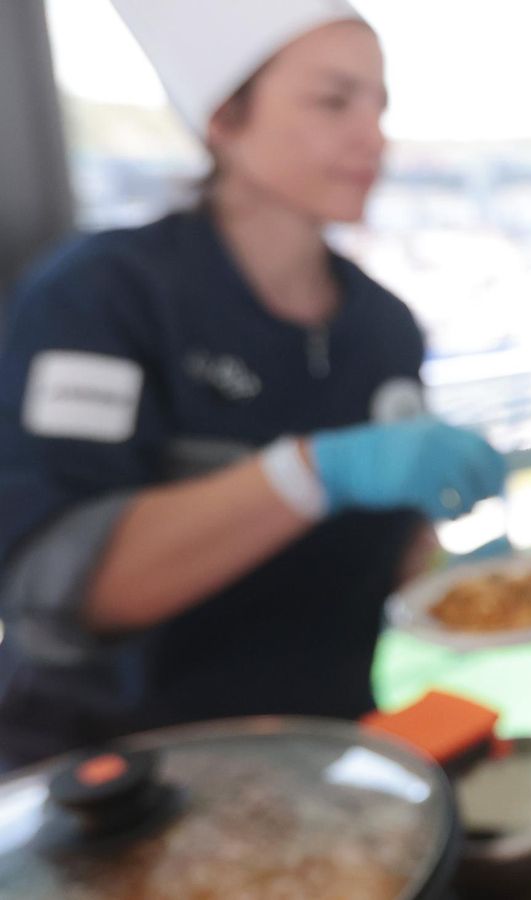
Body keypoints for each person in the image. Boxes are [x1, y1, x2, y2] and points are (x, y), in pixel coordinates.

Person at [0, 0, 505, 768]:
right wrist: (313, 474)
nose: (373, 136)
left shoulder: (385, 328)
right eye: (333, 101)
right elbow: (54, 584)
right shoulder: (102, 294)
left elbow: (390, 554)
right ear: (225, 119)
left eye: (379, 105)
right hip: (110, 776)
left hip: (321, 755)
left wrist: (454, 560)